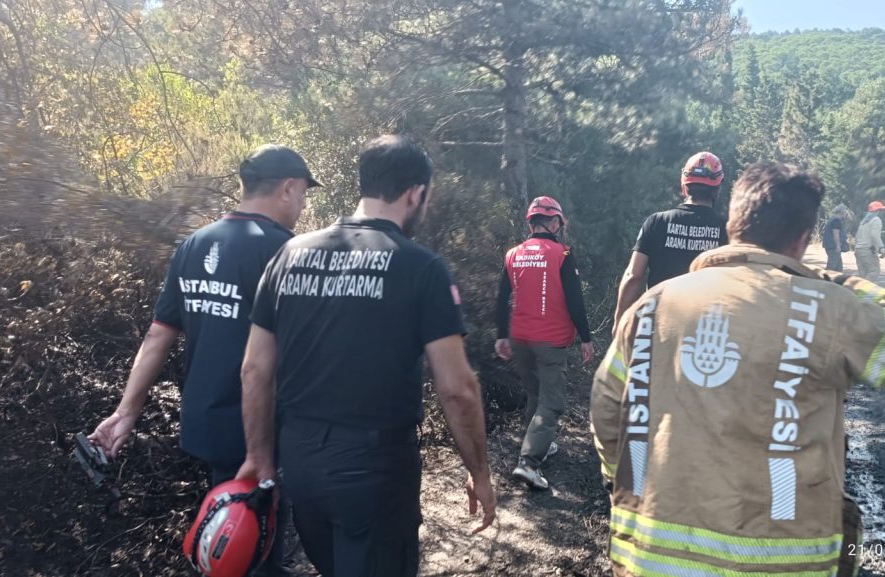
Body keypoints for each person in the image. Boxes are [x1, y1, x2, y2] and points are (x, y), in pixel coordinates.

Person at [590, 162, 885, 577]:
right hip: (781, 563)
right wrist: (845, 285)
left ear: (733, 223)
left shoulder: (652, 306)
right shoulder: (826, 308)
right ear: (804, 238)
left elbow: (608, 410)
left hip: (649, 558)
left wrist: (623, 479)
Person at [236, 135, 496, 577]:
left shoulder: (289, 254)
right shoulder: (421, 268)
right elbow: (458, 390)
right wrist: (480, 471)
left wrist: (260, 456)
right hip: (373, 470)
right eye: (426, 198)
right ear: (416, 193)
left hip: (301, 461)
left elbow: (255, 368)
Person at [89, 144, 318, 577]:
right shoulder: (286, 252)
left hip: (209, 423)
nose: (303, 205)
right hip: (262, 432)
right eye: (304, 194)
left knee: (236, 543)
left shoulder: (194, 244)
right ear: (288, 188)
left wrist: (126, 411)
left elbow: (159, 334)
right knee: (255, 550)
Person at [494, 196, 594, 490]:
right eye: (559, 224)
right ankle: (529, 463)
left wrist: (501, 334)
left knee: (535, 394)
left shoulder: (513, 254)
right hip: (550, 339)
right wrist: (586, 338)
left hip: (520, 337)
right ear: (554, 223)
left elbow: (501, 299)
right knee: (552, 403)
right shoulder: (562, 253)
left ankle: (540, 443)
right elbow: (575, 300)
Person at [613, 151, 728, 333]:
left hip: (658, 327)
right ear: (717, 189)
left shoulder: (656, 222)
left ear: (684, 185)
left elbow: (633, 276)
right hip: (704, 331)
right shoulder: (727, 229)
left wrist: (620, 322)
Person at [855, 200, 885, 279]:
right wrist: (882, 248)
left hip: (858, 250)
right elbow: (874, 235)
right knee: (874, 271)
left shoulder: (863, 221)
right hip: (867, 251)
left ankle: (857, 290)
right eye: (881, 210)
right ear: (878, 211)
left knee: (862, 275)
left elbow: (857, 236)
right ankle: (863, 291)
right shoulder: (876, 220)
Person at [821, 204, 850, 271]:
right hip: (833, 247)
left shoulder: (832, 219)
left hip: (831, 246)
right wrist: (838, 245)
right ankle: (824, 280)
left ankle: (835, 280)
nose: (846, 213)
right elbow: (835, 233)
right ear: (842, 212)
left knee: (838, 268)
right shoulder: (836, 221)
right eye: (845, 211)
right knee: (831, 267)